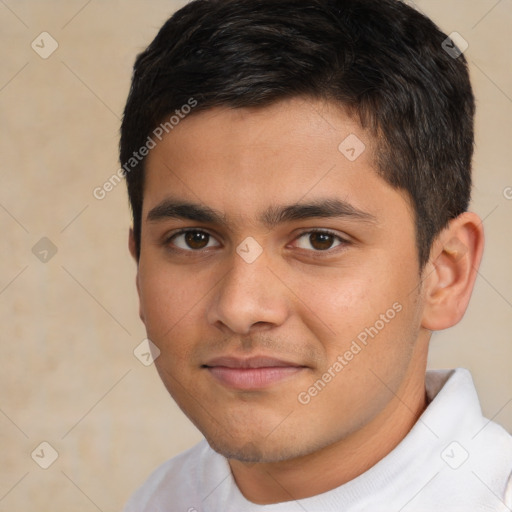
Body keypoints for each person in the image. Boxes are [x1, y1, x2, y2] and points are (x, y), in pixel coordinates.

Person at [119, 0, 512, 509]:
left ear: (445, 274)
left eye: (319, 240)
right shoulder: (159, 499)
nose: (240, 308)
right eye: (195, 239)